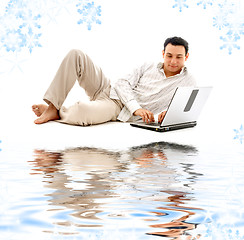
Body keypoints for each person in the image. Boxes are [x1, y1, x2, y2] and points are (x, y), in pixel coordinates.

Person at [32, 36, 196, 126]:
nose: (173, 61)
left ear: (186, 57)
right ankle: (53, 107)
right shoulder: (148, 66)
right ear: (163, 54)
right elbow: (122, 83)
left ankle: (60, 112)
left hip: (117, 108)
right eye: (169, 55)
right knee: (76, 55)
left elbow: (183, 112)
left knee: (81, 112)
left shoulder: (188, 82)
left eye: (178, 57)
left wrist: (167, 114)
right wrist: (137, 108)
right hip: (107, 89)